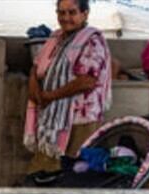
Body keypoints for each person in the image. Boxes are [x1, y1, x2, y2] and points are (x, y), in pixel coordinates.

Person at [23, 0, 112, 172]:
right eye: (61, 13)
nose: (66, 18)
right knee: (45, 172)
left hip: (80, 119)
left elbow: (87, 81)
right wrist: (34, 87)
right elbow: (37, 66)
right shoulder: (55, 37)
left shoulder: (92, 40)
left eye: (72, 12)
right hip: (51, 118)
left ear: (85, 14)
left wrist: (50, 96)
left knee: (75, 172)